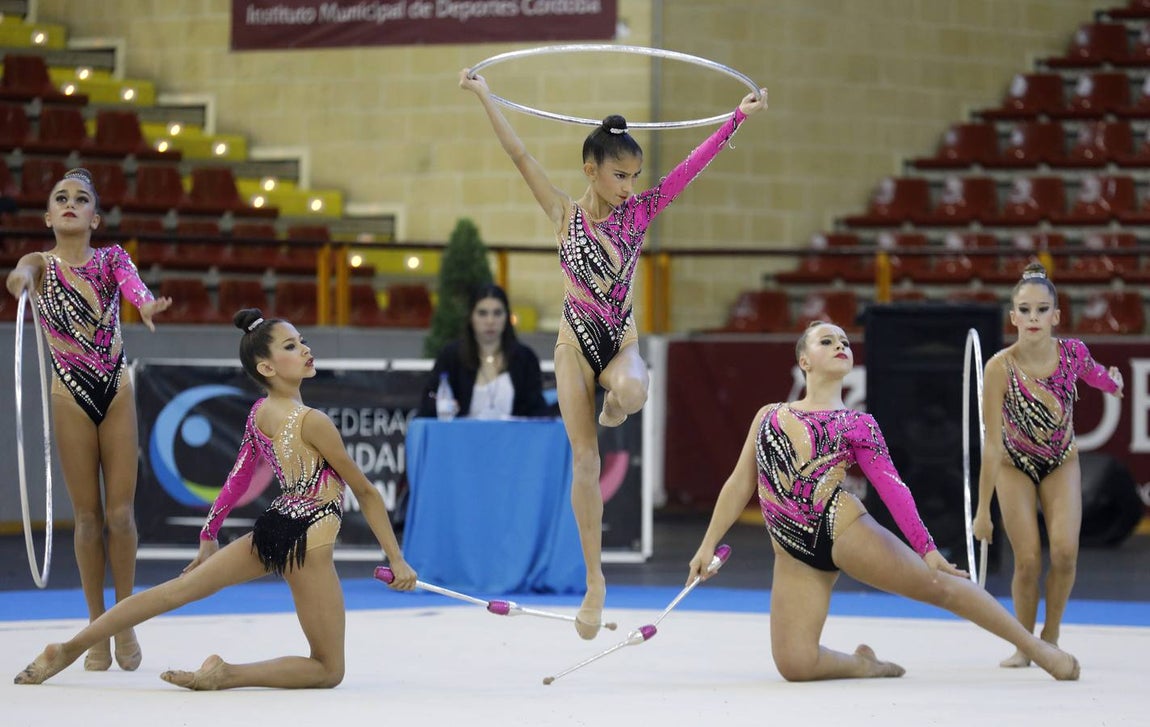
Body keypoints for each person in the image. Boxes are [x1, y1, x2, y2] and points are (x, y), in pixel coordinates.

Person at [461, 68, 768, 639]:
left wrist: (735, 120)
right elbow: (519, 153)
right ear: (591, 169)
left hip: (619, 340)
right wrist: (484, 94)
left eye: (634, 175)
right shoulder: (563, 215)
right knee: (584, 460)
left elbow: (692, 167)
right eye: (619, 175)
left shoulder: (642, 211)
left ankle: (616, 406)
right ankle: (595, 580)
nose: (630, 185)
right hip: (575, 342)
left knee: (631, 389)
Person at [14, 309, 418, 688]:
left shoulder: (261, 412)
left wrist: (209, 534)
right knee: (328, 669)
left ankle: (67, 648)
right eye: (292, 346)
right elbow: (365, 492)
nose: (306, 349)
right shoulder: (314, 421)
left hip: (275, 526)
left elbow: (238, 478)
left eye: (303, 341)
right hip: (309, 540)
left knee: (174, 591)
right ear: (266, 367)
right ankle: (227, 674)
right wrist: (396, 558)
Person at [687, 321, 1081, 682]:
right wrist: (707, 545)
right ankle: (863, 664)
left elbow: (894, 488)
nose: (840, 345)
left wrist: (926, 549)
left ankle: (1036, 647)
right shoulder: (769, 416)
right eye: (827, 341)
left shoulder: (859, 425)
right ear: (804, 360)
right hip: (793, 555)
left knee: (939, 586)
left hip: (842, 530)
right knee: (795, 665)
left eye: (844, 341)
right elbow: (740, 484)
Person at [4, 168, 171, 672]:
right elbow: (19, 275)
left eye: (81, 199)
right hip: (69, 395)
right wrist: (20, 282)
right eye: (61, 198)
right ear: (49, 216)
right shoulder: (41, 262)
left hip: (115, 389)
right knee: (87, 518)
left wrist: (145, 306)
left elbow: (133, 286)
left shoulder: (111, 258)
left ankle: (125, 619)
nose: (71, 203)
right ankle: (96, 627)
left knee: (121, 515)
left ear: (95, 218)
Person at [973, 263, 1122, 668]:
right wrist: (983, 510)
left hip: (1060, 461)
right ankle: (1025, 643)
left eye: (1042, 310)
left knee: (1065, 553)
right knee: (1027, 560)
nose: (1033, 318)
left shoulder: (1072, 353)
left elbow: (1096, 378)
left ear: (1056, 316)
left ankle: (1050, 635)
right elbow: (990, 442)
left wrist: (1113, 381)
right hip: (1012, 464)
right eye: (1025, 310)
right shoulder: (998, 368)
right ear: (1013, 316)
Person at [417, 283, 548, 419]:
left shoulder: (525, 358)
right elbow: (427, 403)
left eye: (497, 313)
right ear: (470, 317)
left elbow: (538, 412)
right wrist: (442, 406)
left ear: (507, 317)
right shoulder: (451, 356)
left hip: (513, 439)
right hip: (461, 438)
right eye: (482, 313)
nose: (490, 321)